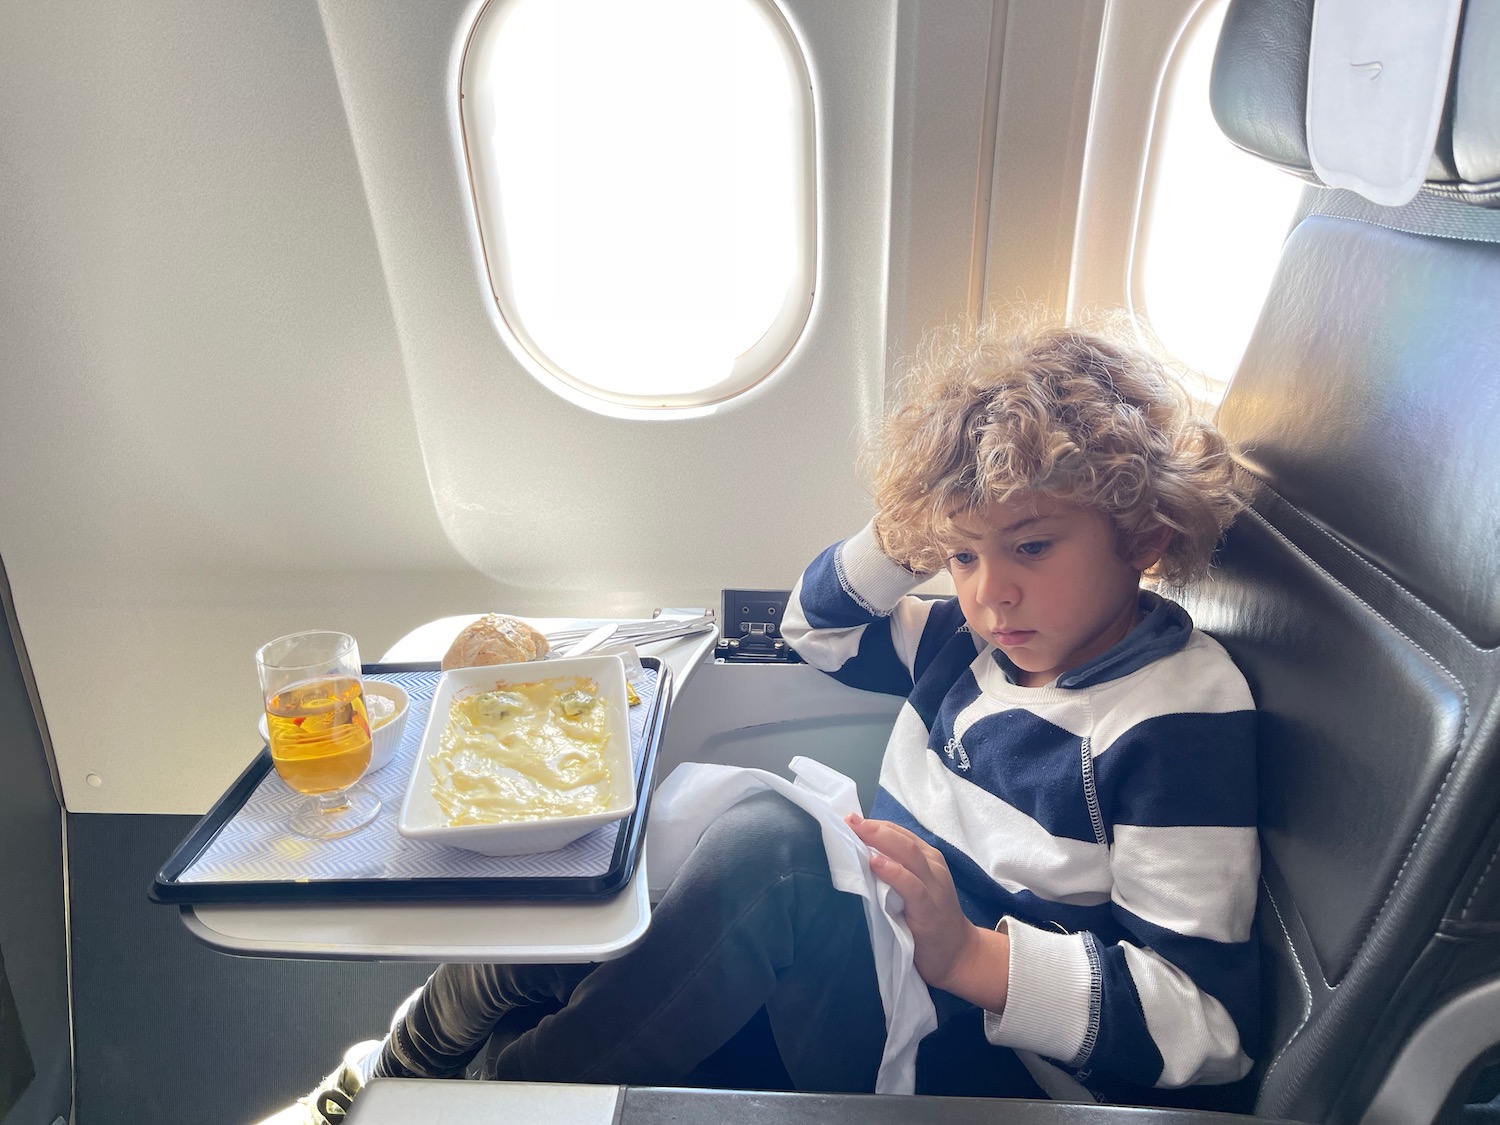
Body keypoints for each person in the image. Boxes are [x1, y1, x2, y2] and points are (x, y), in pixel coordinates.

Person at [258, 315, 1258, 1123]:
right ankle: (413, 1051)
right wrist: (917, 528)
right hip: (890, 968)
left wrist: (972, 956)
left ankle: (485, 1105)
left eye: (1032, 548)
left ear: (1144, 534)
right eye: (963, 558)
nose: (991, 594)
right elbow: (813, 629)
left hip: (991, 1068)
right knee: (633, 830)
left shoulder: (1175, 717)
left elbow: (1205, 1023)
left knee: (771, 850)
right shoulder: (974, 643)